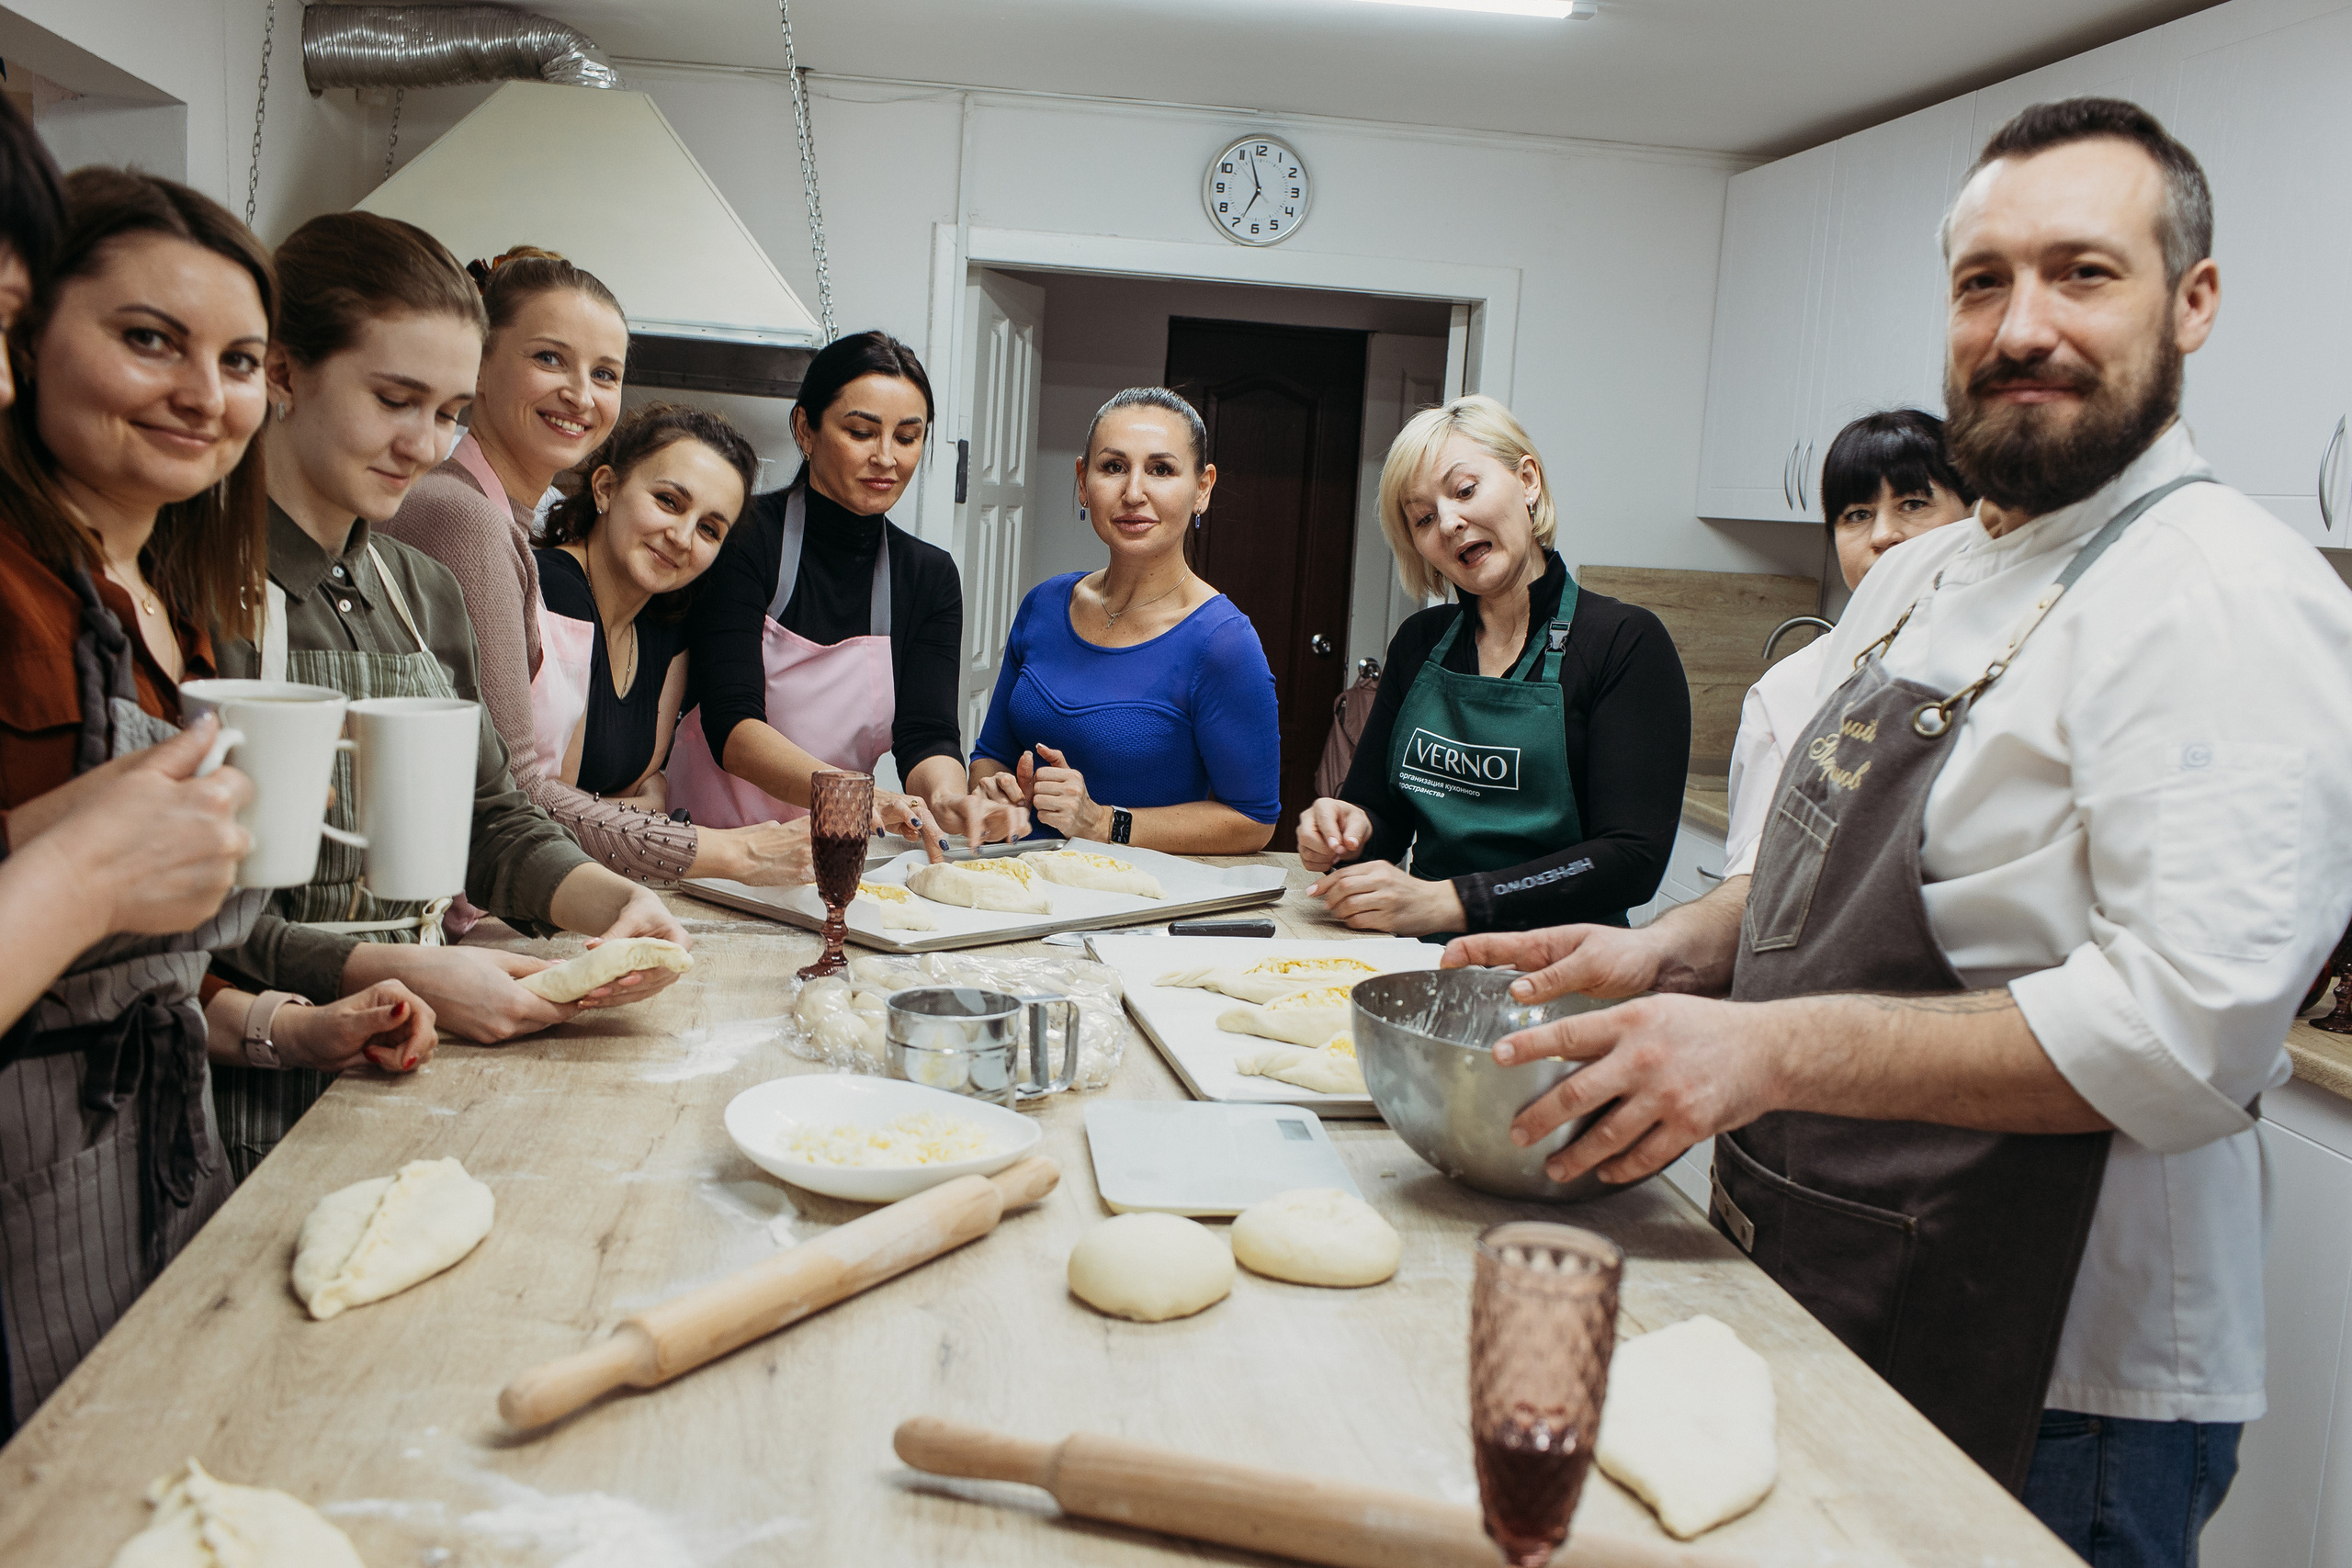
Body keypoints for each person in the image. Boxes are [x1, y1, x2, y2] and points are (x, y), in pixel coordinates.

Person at [1449, 100, 2352, 1565]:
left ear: (2194, 302)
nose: (2022, 323)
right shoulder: (1926, 574)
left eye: (2084, 273)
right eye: (1983, 280)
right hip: (1837, 1262)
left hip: (2063, 1379)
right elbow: (1822, 873)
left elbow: (2183, 1037)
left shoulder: (2226, 597)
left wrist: (1768, 1046)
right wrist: (1669, 949)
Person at [0, 170, 433, 1433]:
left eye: (239, 357)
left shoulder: (181, 593)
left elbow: (150, 960)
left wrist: (290, 1027)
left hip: (159, 1164)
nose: (206, 393)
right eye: (150, 339)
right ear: (33, 337)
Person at [206, 211, 694, 1175]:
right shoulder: (200, 587)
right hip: (242, 1082)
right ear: (283, 370)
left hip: (409, 1059)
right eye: (395, 399)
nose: (424, 445)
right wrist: (398, 969)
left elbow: (488, 812)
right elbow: (197, 923)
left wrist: (608, 899)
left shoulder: (416, 586)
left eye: (446, 412)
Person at [1294, 395, 1690, 936]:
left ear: (1528, 481)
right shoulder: (1420, 643)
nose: (1450, 523)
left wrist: (1451, 903)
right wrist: (1349, 830)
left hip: (1566, 966)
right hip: (1418, 958)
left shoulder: (1623, 642)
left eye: (1464, 490)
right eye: (1424, 518)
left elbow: (1631, 860)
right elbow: (1380, 814)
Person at [674, 331, 1020, 849]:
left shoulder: (928, 576)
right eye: (861, 432)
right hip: (711, 845)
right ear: (805, 429)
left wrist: (949, 802)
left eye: (907, 438)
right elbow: (734, 727)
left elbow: (926, 735)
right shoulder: (744, 537)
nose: (887, 457)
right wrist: (861, 796)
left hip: (829, 848)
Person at [967, 388, 1279, 852]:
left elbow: (1252, 821)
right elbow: (990, 755)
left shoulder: (1223, 643)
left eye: (1161, 469)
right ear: (1082, 481)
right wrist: (996, 790)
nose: (1134, 493)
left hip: (1136, 906)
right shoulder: (1044, 605)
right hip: (1020, 882)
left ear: (1203, 488)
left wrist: (1102, 822)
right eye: (1113, 467)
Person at [527, 401, 808, 882]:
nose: (681, 537)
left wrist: (631, 807)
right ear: (606, 488)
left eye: (709, 529)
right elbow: (548, 811)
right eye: (668, 502)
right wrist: (638, 808)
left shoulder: (666, 623)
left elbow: (652, 789)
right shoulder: (556, 592)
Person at [1723, 410, 1977, 869]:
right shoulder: (1786, 692)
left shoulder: (2016, 659)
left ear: (1975, 515)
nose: (1883, 535)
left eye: (1914, 504)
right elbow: (1758, 868)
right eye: (1857, 515)